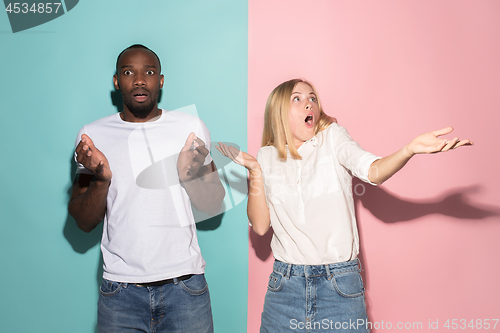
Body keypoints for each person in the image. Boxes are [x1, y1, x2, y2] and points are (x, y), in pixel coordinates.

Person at [216, 78, 473, 332]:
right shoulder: (267, 156)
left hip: (339, 287)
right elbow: (260, 227)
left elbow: (373, 171)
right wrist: (255, 170)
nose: (309, 104)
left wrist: (408, 150)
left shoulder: (333, 139)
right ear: (279, 111)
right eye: (298, 98)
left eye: (312, 98)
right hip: (284, 287)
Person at [68, 44, 224, 333]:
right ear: (117, 81)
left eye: (149, 72)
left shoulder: (190, 127)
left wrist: (188, 174)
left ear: (160, 81)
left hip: (186, 288)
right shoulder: (92, 134)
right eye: (128, 72)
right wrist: (101, 177)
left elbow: (214, 205)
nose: (139, 80)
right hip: (120, 293)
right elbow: (83, 221)